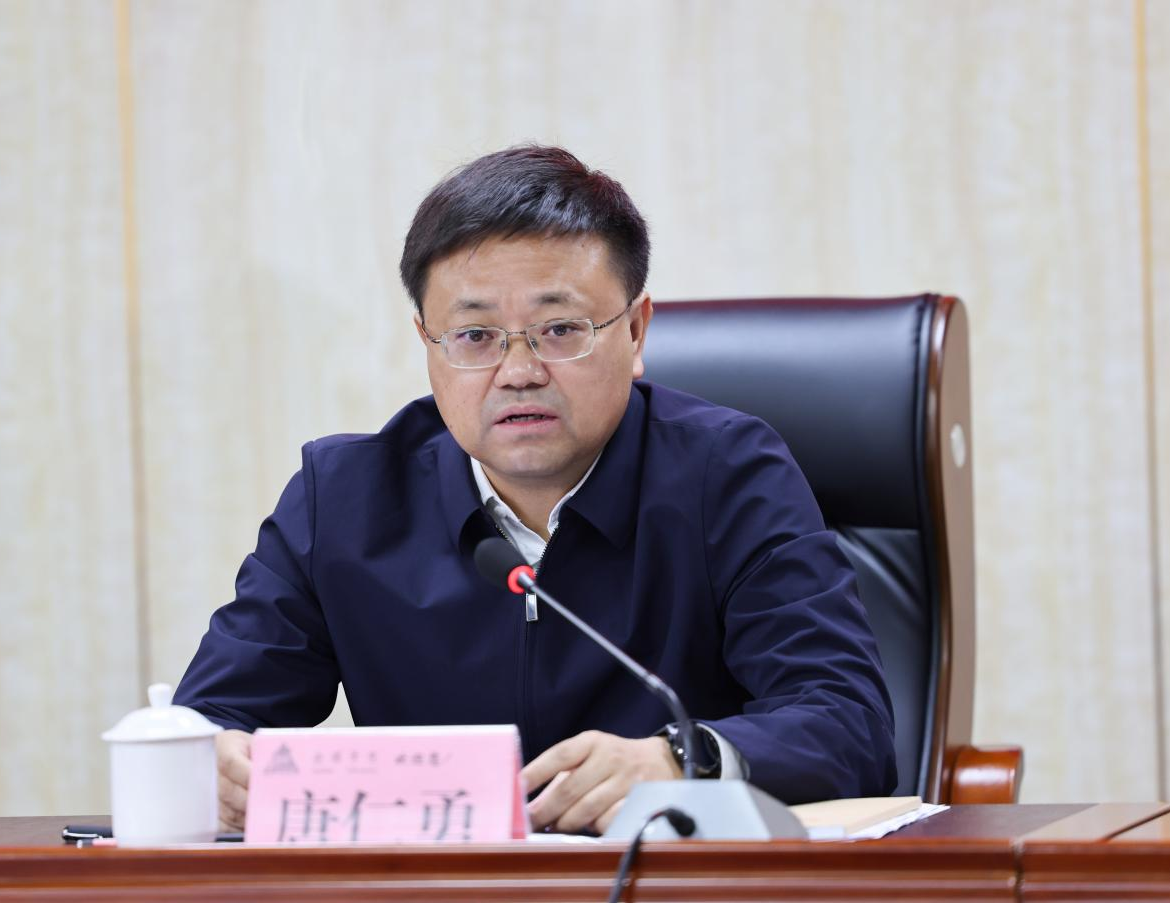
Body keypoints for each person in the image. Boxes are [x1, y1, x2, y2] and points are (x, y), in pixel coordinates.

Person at [174, 145, 897, 835]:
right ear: (427, 343)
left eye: (559, 329)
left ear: (636, 331)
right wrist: (212, 763)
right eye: (475, 336)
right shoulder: (344, 499)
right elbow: (213, 720)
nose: (518, 372)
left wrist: (682, 760)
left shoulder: (728, 476)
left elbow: (847, 723)